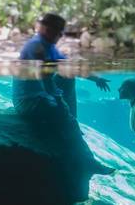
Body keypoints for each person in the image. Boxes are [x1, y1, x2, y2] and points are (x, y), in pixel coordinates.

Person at [12, 13, 113, 177]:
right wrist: (58, 102)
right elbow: (44, 85)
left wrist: (96, 79)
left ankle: (69, 121)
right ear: (44, 29)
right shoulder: (36, 47)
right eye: (54, 31)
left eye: (59, 32)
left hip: (42, 96)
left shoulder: (47, 47)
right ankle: (88, 161)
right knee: (63, 114)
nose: (57, 35)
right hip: (29, 101)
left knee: (68, 79)